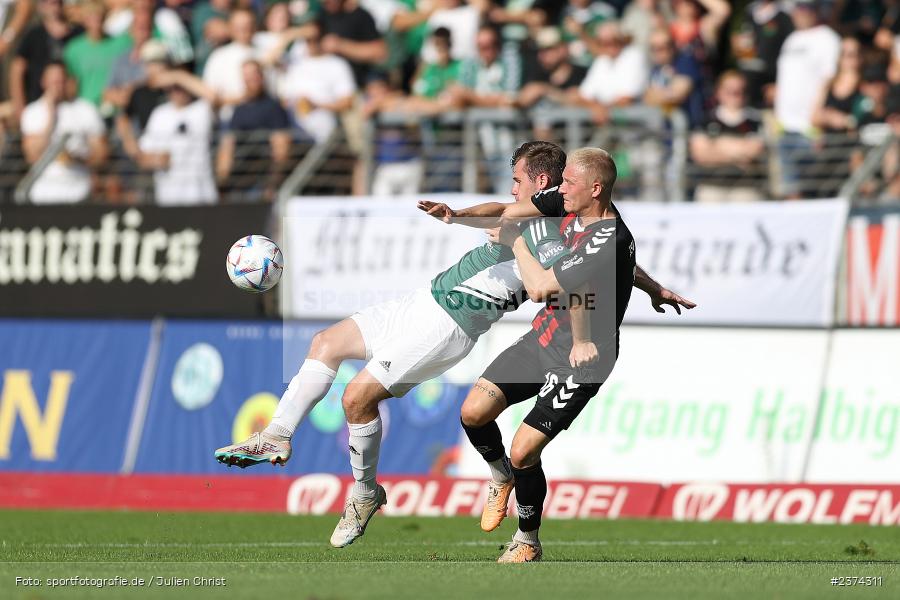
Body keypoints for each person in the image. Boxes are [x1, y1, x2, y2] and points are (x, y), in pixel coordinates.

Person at [213, 140, 694, 548]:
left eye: (518, 179)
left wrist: (630, 291)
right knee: (325, 342)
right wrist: (456, 214)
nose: (511, 189)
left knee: (355, 397)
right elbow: (507, 213)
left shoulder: (556, 232)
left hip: (448, 325)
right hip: (422, 300)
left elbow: (591, 269)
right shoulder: (547, 210)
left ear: (543, 180)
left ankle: (364, 494)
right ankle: (277, 433)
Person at [455, 148, 636, 563]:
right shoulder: (568, 203)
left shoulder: (608, 239)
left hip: (582, 357)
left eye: (569, 181)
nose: (560, 188)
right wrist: (455, 214)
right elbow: (510, 208)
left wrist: (517, 241)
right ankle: (500, 475)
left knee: (524, 449)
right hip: (545, 337)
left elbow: (541, 288)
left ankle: (527, 540)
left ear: (594, 188)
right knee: (473, 412)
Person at [20, 61, 107, 203]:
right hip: (43, 192)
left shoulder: (86, 110)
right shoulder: (32, 112)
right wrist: (50, 117)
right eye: (53, 82)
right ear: (44, 82)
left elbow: (102, 154)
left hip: (80, 191)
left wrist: (77, 158)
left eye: (60, 81)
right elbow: (32, 155)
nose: (57, 87)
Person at [216, 60, 293, 201]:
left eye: (254, 74)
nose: (251, 79)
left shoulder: (273, 107)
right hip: (238, 184)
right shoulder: (238, 110)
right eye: (246, 75)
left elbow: (281, 150)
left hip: (263, 185)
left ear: (262, 76)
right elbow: (228, 147)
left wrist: (271, 185)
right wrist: (222, 183)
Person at [689, 70, 766, 202]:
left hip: (745, 187)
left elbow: (753, 151)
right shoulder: (706, 120)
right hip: (711, 186)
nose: (736, 95)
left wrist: (717, 145)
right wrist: (739, 150)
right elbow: (700, 155)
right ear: (719, 92)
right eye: (730, 91)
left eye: (740, 91)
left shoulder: (755, 120)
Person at [9, 0, 79, 123]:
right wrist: (19, 106)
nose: (53, 5)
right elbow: (17, 69)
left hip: (70, 107)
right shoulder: (33, 35)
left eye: (57, 2)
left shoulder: (77, 34)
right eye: (47, 2)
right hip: (38, 106)